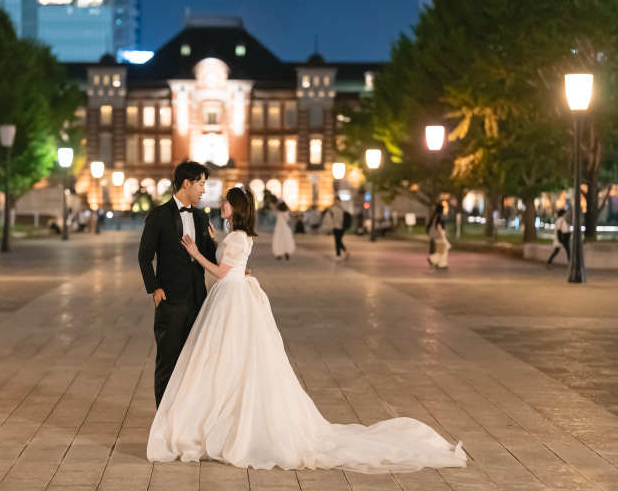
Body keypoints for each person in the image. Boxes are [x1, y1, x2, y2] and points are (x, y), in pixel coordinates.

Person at [147, 186, 467, 472]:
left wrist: (196, 253)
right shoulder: (236, 236)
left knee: (226, 360)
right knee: (230, 361)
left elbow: (221, 272)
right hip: (234, 297)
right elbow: (234, 263)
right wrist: (216, 241)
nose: (221, 204)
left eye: (227, 202)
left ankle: (219, 418)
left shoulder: (238, 237)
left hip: (230, 299)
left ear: (237, 207)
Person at [138, 160, 218, 407]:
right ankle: (163, 420)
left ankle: (187, 418)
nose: (204, 190)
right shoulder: (159, 215)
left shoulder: (201, 218)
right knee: (168, 362)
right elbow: (144, 255)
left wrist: (220, 248)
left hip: (197, 302)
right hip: (170, 301)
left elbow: (209, 259)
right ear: (187, 183)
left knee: (195, 364)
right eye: (201, 184)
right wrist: (155, 288)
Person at [427, 203, 451, 269]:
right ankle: (435, 260)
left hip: (436, 235)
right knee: (443, 248)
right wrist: (442, 235)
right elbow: (439, 226)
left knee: (442, 249)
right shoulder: (439, 216)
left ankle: (440, 263)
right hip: (439, 235)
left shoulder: (435, 216)